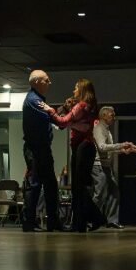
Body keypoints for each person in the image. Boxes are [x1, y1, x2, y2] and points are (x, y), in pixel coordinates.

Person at [45, 79, 105, 232]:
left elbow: (63, 122)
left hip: (83, 147)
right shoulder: (89, 106)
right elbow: (73, 123)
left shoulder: (82, 105)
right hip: (84, 147)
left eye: (76, 88)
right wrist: (66, 108)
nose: (74, 91)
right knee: (79, 187)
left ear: (83, 90)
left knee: (78, 188)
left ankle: (93, 218)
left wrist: (50, 111)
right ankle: (81, 223)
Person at [21, 70, 67, 232]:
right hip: (37, 149)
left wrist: (59, 109)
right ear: (37, 82)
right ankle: (32, 222)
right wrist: (59, 111)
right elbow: (54, 120)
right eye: (47, 80)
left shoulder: (36, 100)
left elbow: (50, 117)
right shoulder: (35, 101)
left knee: (47, 185)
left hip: (40, 148)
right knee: (37, 185)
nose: (50, 83)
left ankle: (43, 222)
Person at [91, 106, 135, 229]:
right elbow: (102, 147)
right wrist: (120, 145)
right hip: (98, 165)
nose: (114, 117)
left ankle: (111, 220)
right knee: (100, 193)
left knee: (114, 192)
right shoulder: (99, 128)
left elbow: (109, 150)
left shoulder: (107, 130)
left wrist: (121, 150)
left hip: (106, 165)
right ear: (104, 115)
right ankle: (91, 219)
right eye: (111, 115)